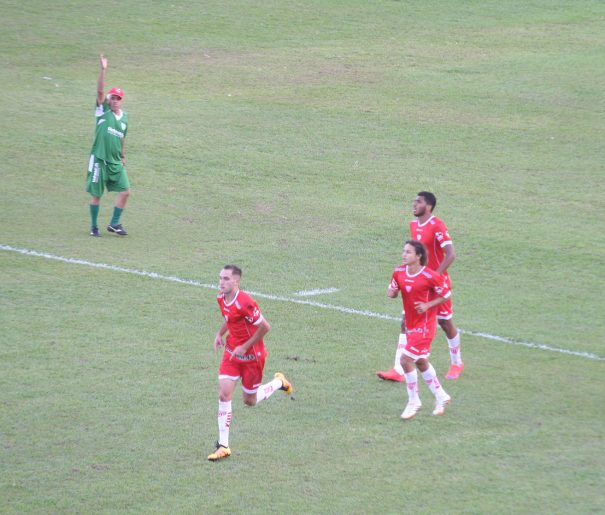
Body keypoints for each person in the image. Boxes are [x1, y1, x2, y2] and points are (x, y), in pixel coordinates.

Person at [208, 265, 293, 461]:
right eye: (220, 278)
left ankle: (279, 382)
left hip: (252, 357)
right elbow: (230, 319)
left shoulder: (245, 302)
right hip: (231, 354)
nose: (221, 282)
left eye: (226, 279)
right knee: (224, 394)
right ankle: (224, 445)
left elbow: (265, 327)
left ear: (236, 281)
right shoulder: (221, 298)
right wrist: (219, 334)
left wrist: (245, 346)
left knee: (250, 401)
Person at [377, 191, 464, 381]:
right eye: (414, 201)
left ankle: (457, 363)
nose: (414, 204)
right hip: (420, 284)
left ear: (429, 206)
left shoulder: (437, 225)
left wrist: (434, 277)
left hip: (437, 283)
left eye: (419, 202)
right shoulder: (414, 225)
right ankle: (398, 370)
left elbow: (451, 254)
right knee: (406, 322)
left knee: (444, 322)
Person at [388, 241, 452, 419]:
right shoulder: (399, 272)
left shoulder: (430, 276)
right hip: (411, 324)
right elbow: (392, 290)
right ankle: (441, 396)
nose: (404, 254)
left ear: (418, 256)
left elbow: (446, 295)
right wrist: (392, 293)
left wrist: (428, 305)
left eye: (408, 252)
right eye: (403, 251)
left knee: (405, 360)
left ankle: (414, 401)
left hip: (425, 326)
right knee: (421, 362)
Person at [86, 54, 131, 237]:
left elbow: (122, 138)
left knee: (126, 191)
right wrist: (103, 70)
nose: (114, 101)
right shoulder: (102, 111)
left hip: (114, 161)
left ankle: (114, 223)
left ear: (122, 100)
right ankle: (94, 227)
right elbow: (99, 92)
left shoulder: (125, 118)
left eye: (117, 98)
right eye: (112, 98)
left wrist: (122, 156)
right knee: (97, 195)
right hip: (99, 159)